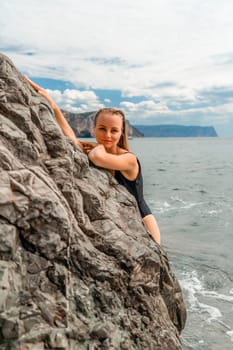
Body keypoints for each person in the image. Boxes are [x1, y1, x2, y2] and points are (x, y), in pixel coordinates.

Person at [24, 76, 161, 245]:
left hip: (143, 223)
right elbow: (71, 138)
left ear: (121, 132)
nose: (108, 135)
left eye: (114, 130)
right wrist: (53, 105)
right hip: (119, 222)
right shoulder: (97, 149)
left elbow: (97, 157)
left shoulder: (128, 159)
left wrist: (96, 146)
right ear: (93, 128)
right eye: (102, 129)